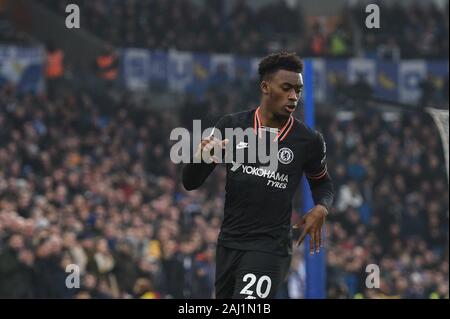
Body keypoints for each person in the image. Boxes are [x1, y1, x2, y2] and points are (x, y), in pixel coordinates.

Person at [182, 51, 334, 299]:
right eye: (286, 88)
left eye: (298, 90)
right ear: (265, 86)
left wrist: (322, 207)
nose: (294, 96)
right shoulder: (232, 126)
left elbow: (322, 183)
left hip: (270, 246)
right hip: (229, 243)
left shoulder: (308, 140)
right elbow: (190, 182)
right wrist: (201, 156)